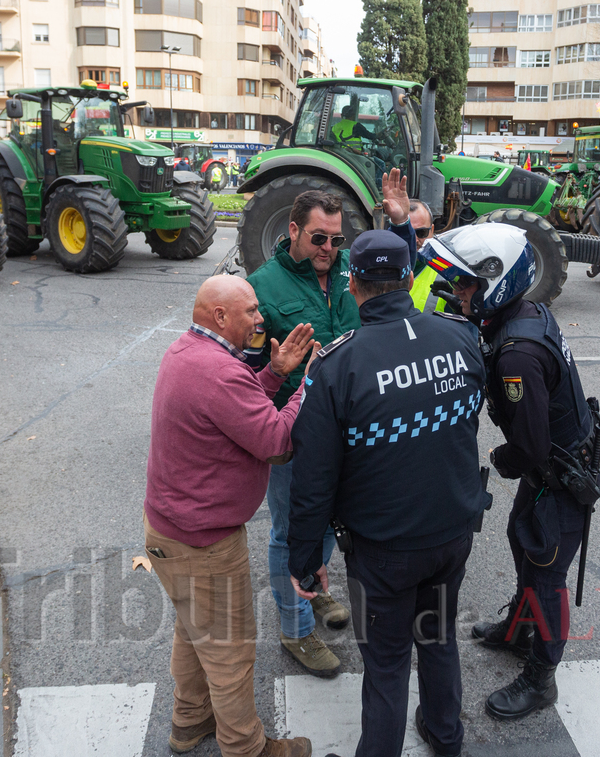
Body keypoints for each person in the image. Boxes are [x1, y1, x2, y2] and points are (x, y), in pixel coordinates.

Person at [287, 228, 489, 757]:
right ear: (409, 279)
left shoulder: (337, 366)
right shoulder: (460, 337)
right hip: (452, 533)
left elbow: (312, 481)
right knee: (438, 637)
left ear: (353, 283)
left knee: (386, 663)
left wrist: (305, 560)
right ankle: (447, 738)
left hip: (383, 553)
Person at [421, 223, 598, 721]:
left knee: (547, 572)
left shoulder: (516, 353)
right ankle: (519, 629)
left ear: (496, 281)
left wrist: (501, 461)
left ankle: (541, 678)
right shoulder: (521, 312)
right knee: (524, 545)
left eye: (466, 285)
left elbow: (531, 442)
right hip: (551, 468)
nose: (457, 293)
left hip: (559, 473)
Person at [245, 169, 417, 678]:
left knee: (330, 522)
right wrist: (276, 371)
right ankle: (295, 629)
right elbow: (245, 374)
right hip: (296, 436)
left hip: (351, 433)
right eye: (318, 238)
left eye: (336, 239)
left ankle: (312, 587)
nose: (328, 248)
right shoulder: (261, 287)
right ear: (292, 230)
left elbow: (402, 280)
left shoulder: (349, 272)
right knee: (290, 530)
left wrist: (403, 223)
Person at [144, 274, 317, 757]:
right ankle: (247, 748)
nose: (261, 318)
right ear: (220, 317)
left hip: (168, 532)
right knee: (230, 651)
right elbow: (277, 441)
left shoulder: (189, 352)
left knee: (193, 631)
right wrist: (309, 384)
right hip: (204, 543)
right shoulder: (221, 371)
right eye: (251, 311)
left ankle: (189, 722)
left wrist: (275, 373)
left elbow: (232, 408)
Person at [406, 201, 447, 314]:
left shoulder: (447, 270)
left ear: (432, 230)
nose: (414, 240)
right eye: (407, 233)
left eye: (422, 232)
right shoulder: (382, 269)